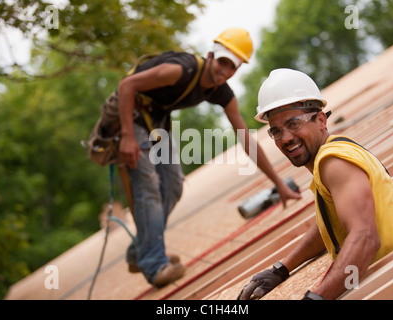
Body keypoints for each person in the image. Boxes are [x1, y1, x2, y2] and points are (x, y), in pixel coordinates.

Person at [109, 29, 301, 287]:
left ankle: (139, 250)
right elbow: (126, 85)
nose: (224, 71)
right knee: (150, 187)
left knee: (174, 185)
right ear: (210, 56)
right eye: (222, 62)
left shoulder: (221, 91)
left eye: (231, 67)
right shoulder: (182, 70)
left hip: (155, 123)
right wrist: (127, 136)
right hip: (127, 119)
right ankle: (154, 265)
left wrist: (278, 184)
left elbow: (246, 139)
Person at [238, 68, 393, 300]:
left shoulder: (333, 162)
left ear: (321, 120)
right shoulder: (332, 155)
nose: (286, 138)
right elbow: (331, 222)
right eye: (276, 131)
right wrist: (283, 268)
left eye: (293, 124)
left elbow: (364, 238)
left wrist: (316, 297)